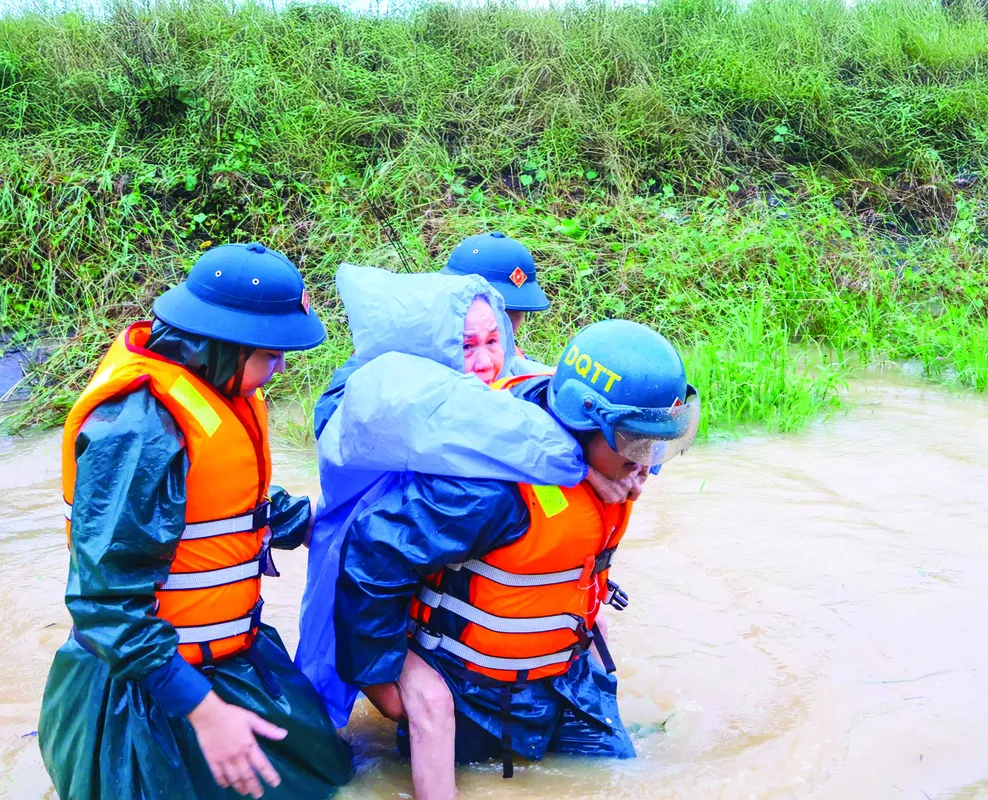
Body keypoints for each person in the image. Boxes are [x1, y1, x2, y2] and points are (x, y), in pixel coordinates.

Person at [39, 243, 353, 800]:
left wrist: (315, 523)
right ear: (225, 343)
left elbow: (219, 506)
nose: (280, 368)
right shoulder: (137, 432)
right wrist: (204, 712)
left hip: (230, 655)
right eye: (271, 354)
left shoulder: (212, 384)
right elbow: (105, 604)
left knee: (333, 776)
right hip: (147, 687)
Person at [333, 319, 700, 785]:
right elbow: (373, 552)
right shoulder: (489, 490)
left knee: (618, 779)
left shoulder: (609, 455)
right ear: (582, 422)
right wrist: (383, 685)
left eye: (658, 444)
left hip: (567, 680)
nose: (647, 463)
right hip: (470, 692)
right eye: (636, 443)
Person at [312, 231, 548, 441]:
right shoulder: (393, 353)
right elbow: (330, 421)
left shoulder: (516, 361)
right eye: (498, 309)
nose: (502, 323)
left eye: (515, 314)